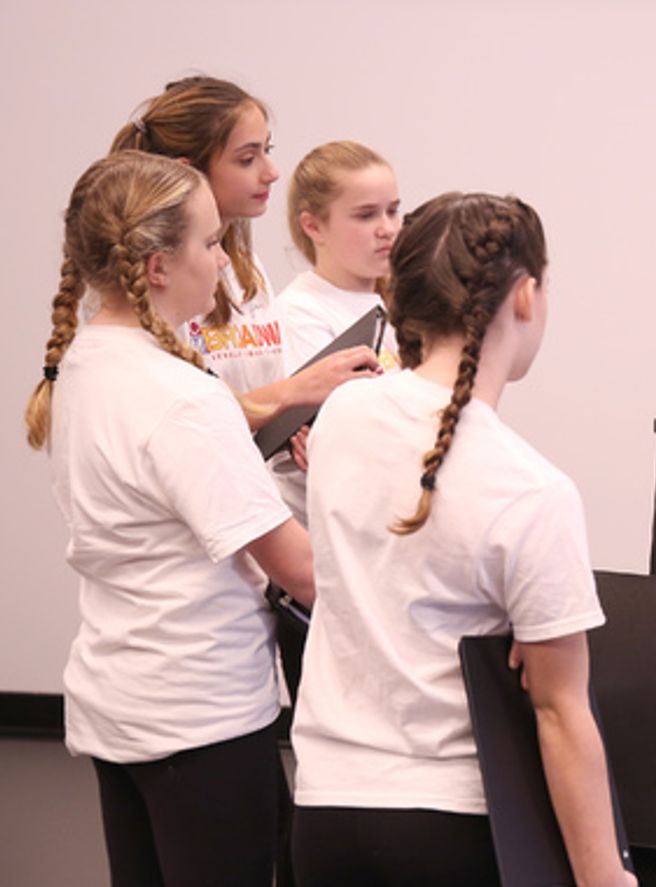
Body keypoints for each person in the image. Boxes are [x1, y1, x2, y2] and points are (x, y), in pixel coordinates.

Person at [291, 193, 634, 887]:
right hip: (451, 825)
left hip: (324, 813)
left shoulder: (341, 418)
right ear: (528, 295)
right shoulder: (531, 490)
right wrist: (607, 877)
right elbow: (561, 712)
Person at [24, 150, 315, 886]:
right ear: (156, 265)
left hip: (121, 703)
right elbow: (301, 570)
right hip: (201, 715)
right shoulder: (183, 398)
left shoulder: (85, 361)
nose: (223, 262)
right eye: (213, 242)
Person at [112, 76, 378, 425]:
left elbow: (263, 393)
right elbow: (174, 419)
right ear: (187, 171)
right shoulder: (156, 278)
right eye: (247, 158)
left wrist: (291, 429)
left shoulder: (245, 267)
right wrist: (292, 392)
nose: (271, 172)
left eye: (267, 151)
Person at [274, 140, 404, 525]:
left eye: (393, 211)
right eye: (366, 216)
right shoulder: (300, 313)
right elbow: (332, 447)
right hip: (333, 535)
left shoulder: (399, 305)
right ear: (313, 225)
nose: (388, 229)